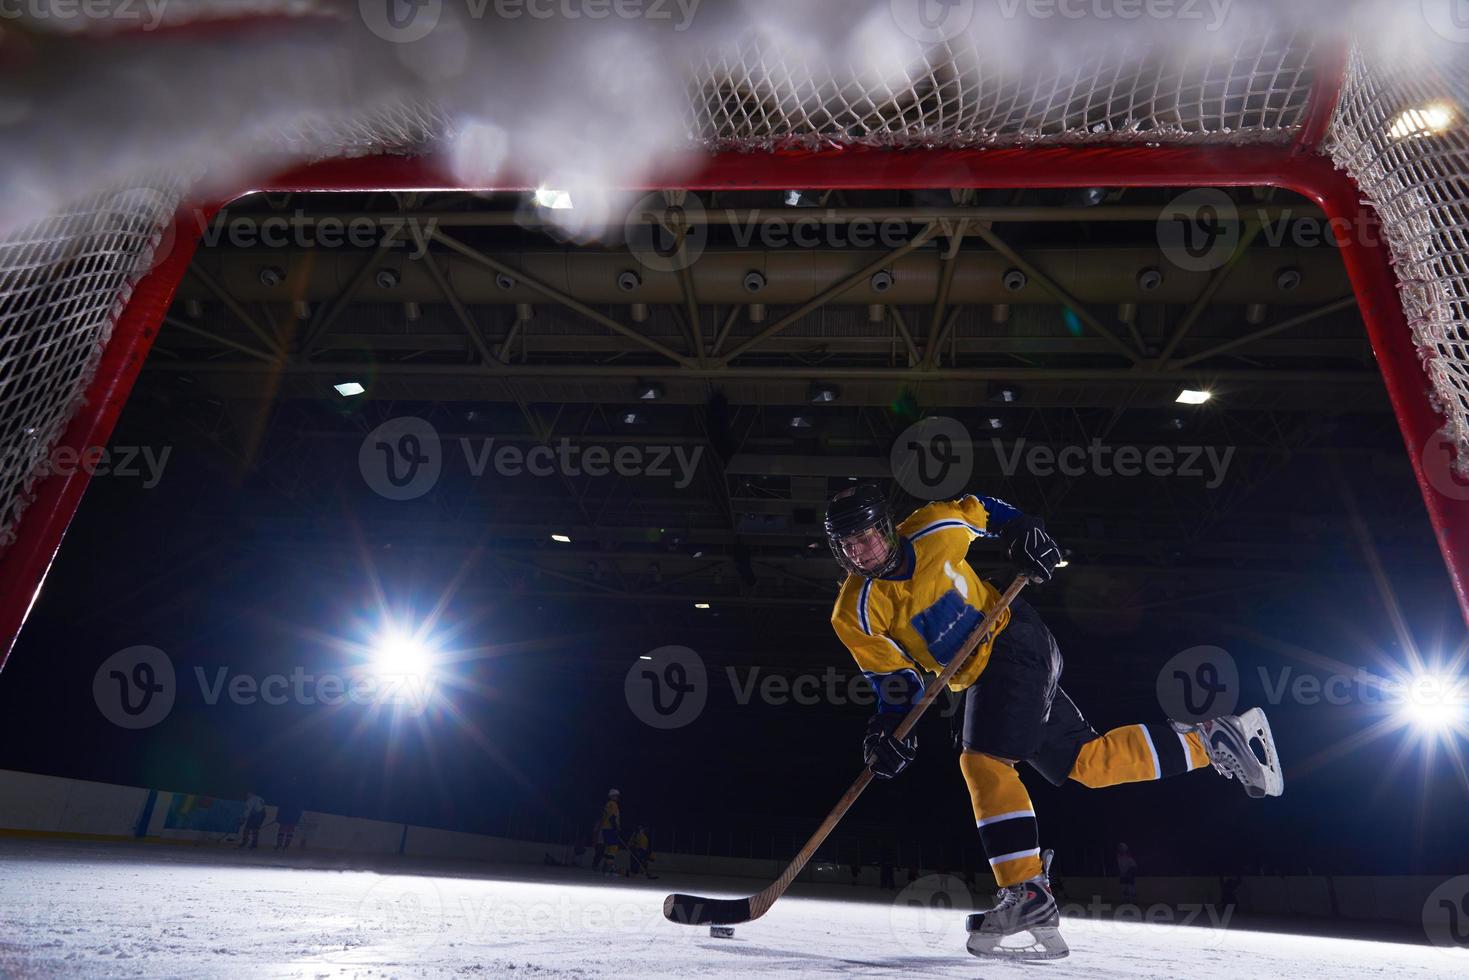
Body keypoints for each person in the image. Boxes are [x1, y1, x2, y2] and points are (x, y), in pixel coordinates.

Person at [824, 485, 1283, 960]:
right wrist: (888, 729)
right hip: (984, 678)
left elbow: (983, 509)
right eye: (848, 544)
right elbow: (897, 684)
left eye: (867, 536)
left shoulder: (933, 526)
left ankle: (1025, 893)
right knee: (1091, 763)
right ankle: (1211, 742)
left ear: (886, 527)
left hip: (1012, 640)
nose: (861, 550)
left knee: (983, 761)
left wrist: (1023, 528)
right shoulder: (852, 612)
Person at [591, 789, 622, 877]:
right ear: (612, 796)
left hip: (606, 828)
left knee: (609, 849)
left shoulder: (608, 804)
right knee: (613, 848)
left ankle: (606, 869)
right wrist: (616, 828)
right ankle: (608, 869)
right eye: (616, 796)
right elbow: (612, 817)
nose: (617, 797)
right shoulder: (613, 804)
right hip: (610, 828)